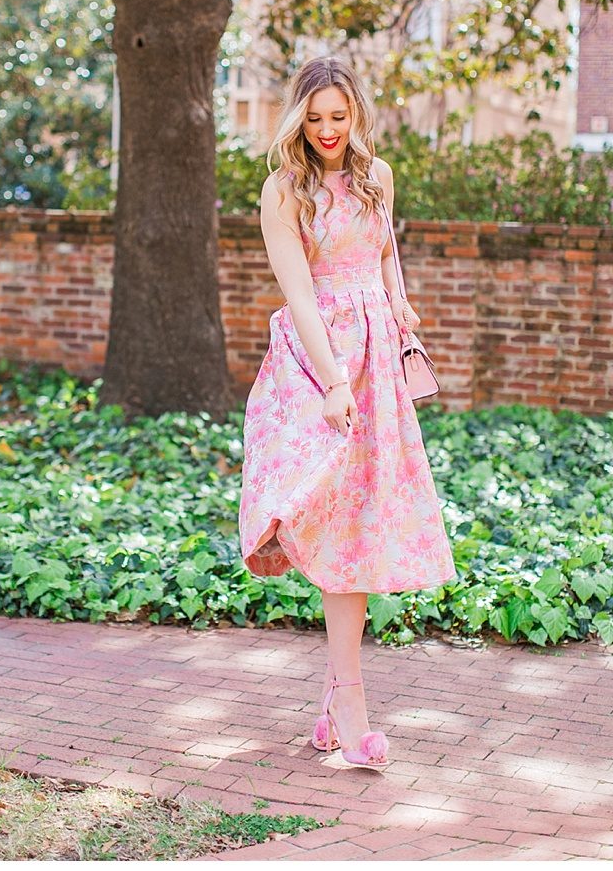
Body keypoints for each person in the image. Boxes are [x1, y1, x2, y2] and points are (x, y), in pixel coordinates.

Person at [238, 55, 457, 768]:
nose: (328, 130)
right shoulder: (283, 191)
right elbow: (298, 294)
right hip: (317, 365)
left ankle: (342, 698)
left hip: (378, 370)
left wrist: (399, 304)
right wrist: (334, 380)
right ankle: (351, 701)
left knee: (359, 529)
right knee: (324, 517)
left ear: (355, 114)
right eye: (315, 117)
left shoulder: (378, 176)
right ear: (297, 119)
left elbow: (386, 253)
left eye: (339, 116)